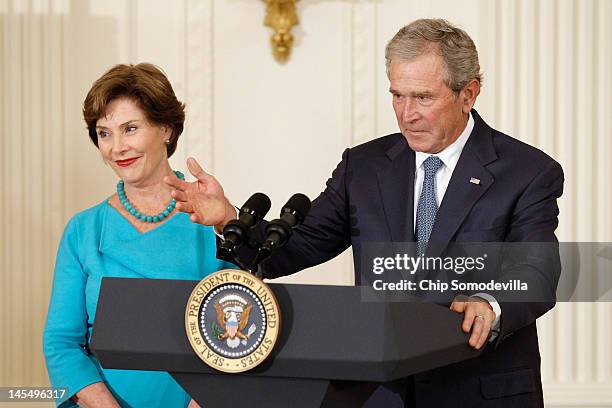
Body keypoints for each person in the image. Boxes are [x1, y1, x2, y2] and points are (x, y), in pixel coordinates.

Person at [166, 19, 563, 407]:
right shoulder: (365, 166)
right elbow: (296, 247)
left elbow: (538, 273)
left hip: (479, 390)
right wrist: (226, 217)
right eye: (397, 95)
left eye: (423, 97)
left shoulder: (527, 172)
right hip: (382, 392)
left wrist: (492, 304)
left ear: (468, 93)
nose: (406, 114)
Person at [43, 63, 233, 407]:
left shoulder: (213, 222)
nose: (117, 147)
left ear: (166, 129)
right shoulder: (82, 231)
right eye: (104, 133)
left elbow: (240, 339)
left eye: (130, 129)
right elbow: (61, 342)